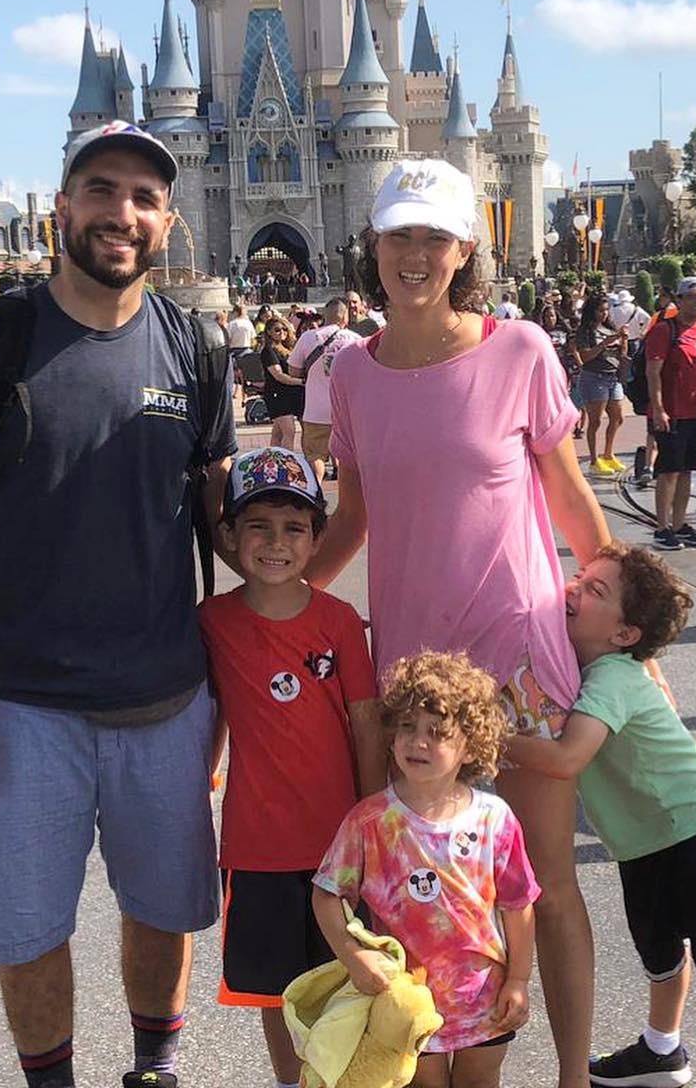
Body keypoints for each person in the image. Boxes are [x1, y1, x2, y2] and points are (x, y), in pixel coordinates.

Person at [0, 121, 236, 1088]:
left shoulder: (199, 347)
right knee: (27, 926)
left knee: (164, 906)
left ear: (168, 221)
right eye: (100, 190)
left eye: (143, 197)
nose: (120, 214)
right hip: (18, 702)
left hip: (164, 697)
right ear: (62, 205)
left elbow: (230, 527)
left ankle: (156, 1069)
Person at [307, 159, 611, 1088]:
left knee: (542, 885)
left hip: (516, 659)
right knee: (418, 896)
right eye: (399, 234)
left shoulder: (518, 349)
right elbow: (353, 517)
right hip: (414, 682)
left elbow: (568, 494)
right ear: (374, 244)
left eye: (433, 237)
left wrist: (621, 619)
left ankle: (569, 1074)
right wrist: (284, 609)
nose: (414, 255)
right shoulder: (352, 373)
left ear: (466, 247)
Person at [505, 544, 696, 1088]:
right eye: (580, 578)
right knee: (660, 954)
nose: (573, 589)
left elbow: (567, 758)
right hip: (641, 842)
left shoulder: (613, 678)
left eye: (595, 591)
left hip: (693, 830)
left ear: (625, 635)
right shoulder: (584, 664)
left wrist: (490, 735)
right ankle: (661, 1049)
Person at [202, 446, 384, 1088]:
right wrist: (200, 783)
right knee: (279, 992)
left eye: (293, 527)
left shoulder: (338, 622)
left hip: (340, 842)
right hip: (257, 844)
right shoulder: (212, 622)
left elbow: (366, 722)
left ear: (316, 538)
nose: (276, 543)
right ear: (228, 535)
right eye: (257, 525)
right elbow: (212, 712)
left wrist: (373, 820)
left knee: (349, 976)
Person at [313, 651, 538, 1088]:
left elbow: (519, 905)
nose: (418, 743)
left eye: (437, 733)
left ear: (469, 745)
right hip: (408, 997)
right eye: (407, 728)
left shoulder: (495, 818)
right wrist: (353, 954)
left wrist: (520, 978)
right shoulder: (370, 821)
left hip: (483, 994)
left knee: (480, 1082)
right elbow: (327, 894)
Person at [644, 277, 696, 551]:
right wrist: (659, 409)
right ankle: (662, 528)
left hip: (695, 413)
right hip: (671, 413)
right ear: (680, 299)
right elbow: (652, 372)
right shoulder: (665, 330)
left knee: (686, 470)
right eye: (693, 297)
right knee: (669, 471)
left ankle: (679, 524)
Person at [288, 297, 361, 473]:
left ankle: (317, 494)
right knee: (348, 459)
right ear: (345, 318)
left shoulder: (307, 338)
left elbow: (293, 371)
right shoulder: (356, 340)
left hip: (315, 411)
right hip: (347, 411)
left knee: (315, 456)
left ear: (324, 317)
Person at [575, 293, 628, 476]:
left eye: (606, 310)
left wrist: (624, 339)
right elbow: (585, 357)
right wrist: (604, 344)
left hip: (612, 376)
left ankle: (608, 454)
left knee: (617, 417)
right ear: (592, 311)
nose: (604, 314)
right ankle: (593, 460)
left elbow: (622, 353)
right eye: (600, 310)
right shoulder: (585, 331)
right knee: (595, 421)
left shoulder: (609, 327)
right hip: (594, 377)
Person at [260, 317, 304, 452]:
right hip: (277, 395)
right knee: (289, 431)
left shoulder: (288, 348)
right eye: (277, 330)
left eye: (284, 329)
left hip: (291, 394)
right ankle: (287, 463)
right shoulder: (268, 351)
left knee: (278, 433)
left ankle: (274, 461)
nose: (282, 332)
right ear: (269, 332)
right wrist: (302, 382)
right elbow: (278, 375)